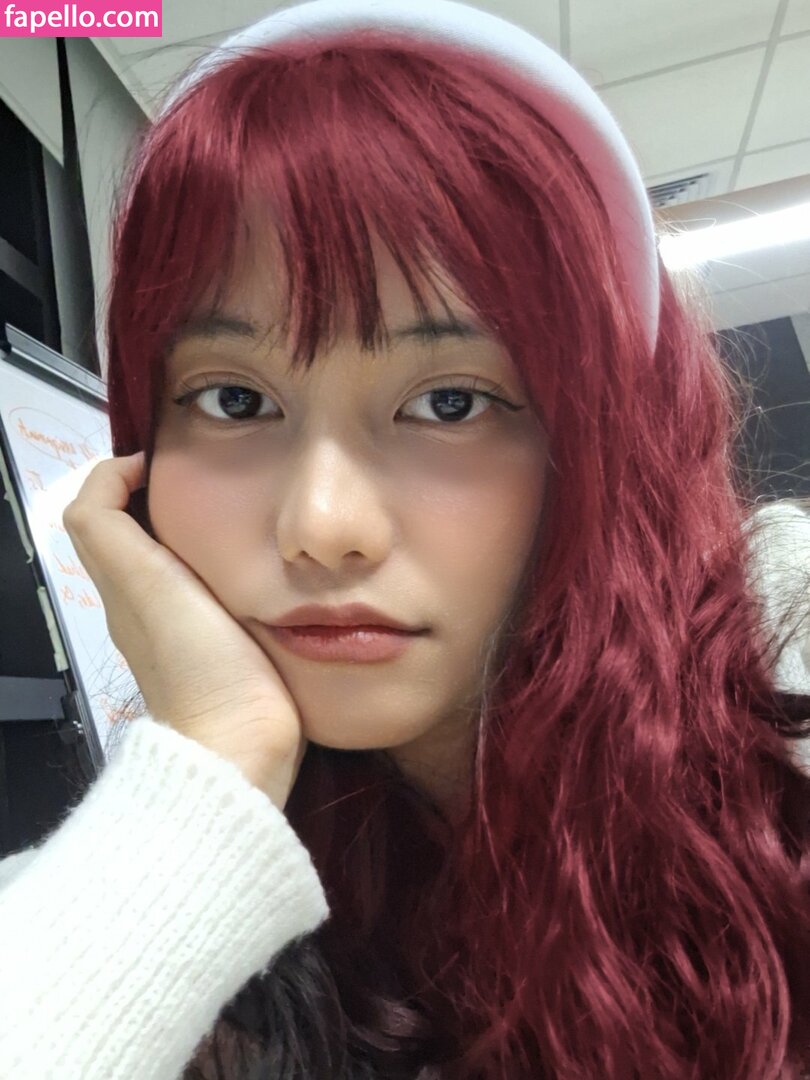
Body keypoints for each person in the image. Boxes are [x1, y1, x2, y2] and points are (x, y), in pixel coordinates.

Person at [1, 0, 810, 1077]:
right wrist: (210, 771)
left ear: (600, 443)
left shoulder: (783, 697)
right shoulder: (207, 854)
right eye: (235, 400)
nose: (322, 527)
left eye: (450, 403)